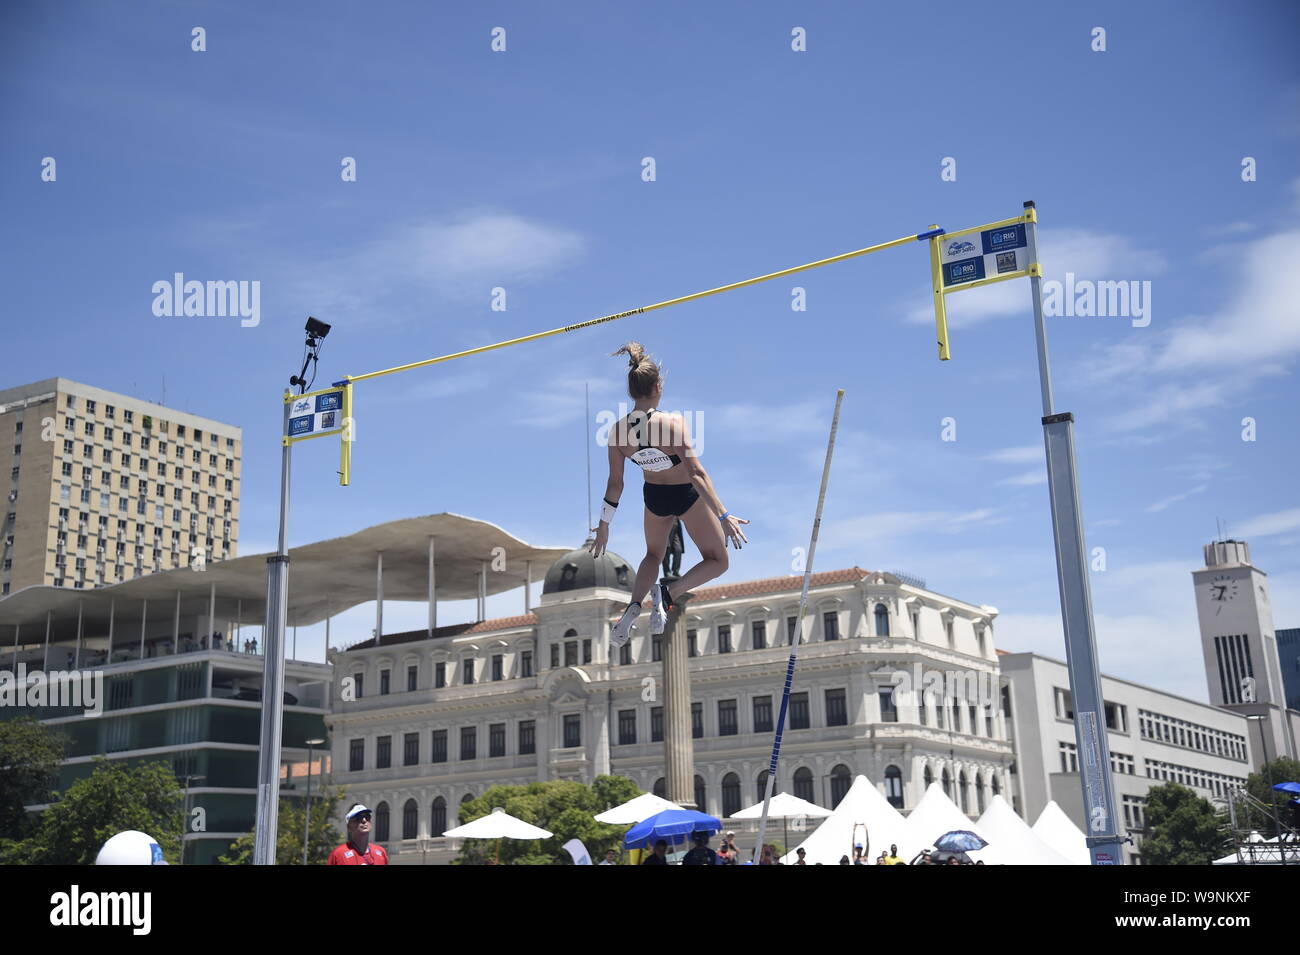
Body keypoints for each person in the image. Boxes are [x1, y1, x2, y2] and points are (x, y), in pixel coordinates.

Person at [590, 343, 749, 647]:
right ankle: (667, 594)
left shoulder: (616, 432)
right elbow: (697, 473)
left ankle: (632, 607)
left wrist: (604, 525)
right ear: (658, 386)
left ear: (632, 390)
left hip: (654, 497)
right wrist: (724, 515)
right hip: (686, 496)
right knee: (718, 560)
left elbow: (615, 483)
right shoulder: (673, 423)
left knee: (653, 555)